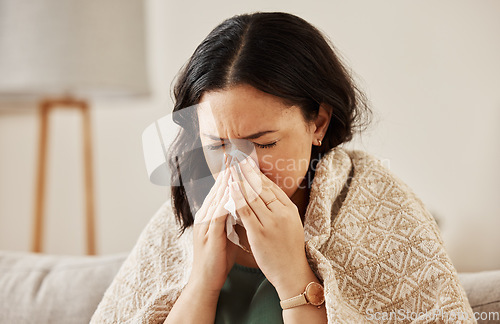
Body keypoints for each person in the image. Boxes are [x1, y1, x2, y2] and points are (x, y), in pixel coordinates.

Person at [91, 12, 475, 323]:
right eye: (217, 144)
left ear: (318, 123)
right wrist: (203, 282)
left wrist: (292, 273)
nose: (239, 167)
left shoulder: (379, 205)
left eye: (264, 143)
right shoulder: (181, 220)